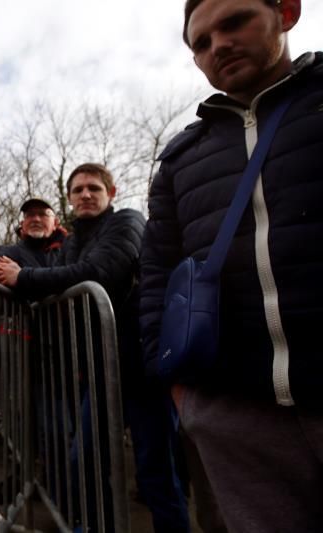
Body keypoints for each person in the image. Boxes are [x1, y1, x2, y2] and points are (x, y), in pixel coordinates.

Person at [139, 1, 322, 531]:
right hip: (235, 415)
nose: (216, 44)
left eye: (234, 21)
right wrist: (181, 389)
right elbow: (157, 273)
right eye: (200, 42)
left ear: (285, 12)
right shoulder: (180, 158)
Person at [0, 163, 188, 533]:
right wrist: (10, 277)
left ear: (110, 194)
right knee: (82, 461)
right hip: (99, 372)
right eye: (78, 189)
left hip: (141, 368)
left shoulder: (127, 222)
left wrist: (24, 277)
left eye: (94, 188)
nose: (85, 194)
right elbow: (55, 284)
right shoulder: (70, 243)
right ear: (69, 198)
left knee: (156, 471)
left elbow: (101, 272)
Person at [0, 198, 67, 271]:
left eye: (42, 214)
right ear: (22, 224)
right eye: (30, 214)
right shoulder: (9, 254)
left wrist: (19, 275)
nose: (36, 219)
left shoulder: (70, 250)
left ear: (55, 223)